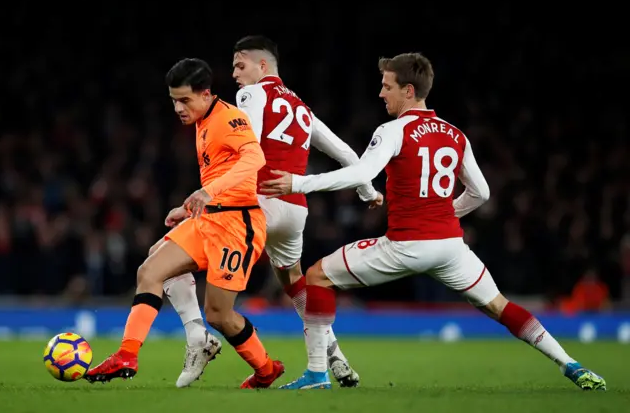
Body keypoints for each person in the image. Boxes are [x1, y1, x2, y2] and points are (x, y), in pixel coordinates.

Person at [261, 52, 607, 391]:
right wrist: (443, 214)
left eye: (387, 86)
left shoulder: (394, 130)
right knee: (499, 306)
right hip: (450, 248)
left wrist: (299, 182)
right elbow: (481, 192)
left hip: (405, 245)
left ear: (408, 91)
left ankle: (318, 374)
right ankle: (571, 365)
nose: (381, 94)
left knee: (318, 276)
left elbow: (362, 173)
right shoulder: (455, 134)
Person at [164, 35, 381, 388]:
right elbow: (347, 154)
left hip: (256, 203)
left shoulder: (251, 95)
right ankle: (336, 358)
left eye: (240, 65)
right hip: (295, 209)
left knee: (177, 257)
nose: (234, 74)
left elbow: (250, 147)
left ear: (262, 66)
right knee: (295, 285)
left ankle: (197, 336)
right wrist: (367, 191)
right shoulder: (301, 107)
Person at [85, 58, 284, 390]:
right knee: (150, 269)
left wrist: (207, 192)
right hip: (209, 217)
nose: (178, 107)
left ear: (205, 94)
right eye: (174, 100)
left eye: (185, 100)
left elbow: (255, 158)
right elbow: (221, 170)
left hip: (238, 224)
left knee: (220, 314)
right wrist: (191, 204)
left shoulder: (229, 118)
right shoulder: (201, 119)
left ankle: (266, 369)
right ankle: (130, 353)